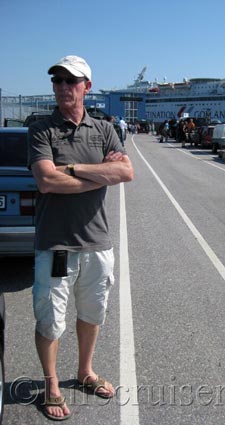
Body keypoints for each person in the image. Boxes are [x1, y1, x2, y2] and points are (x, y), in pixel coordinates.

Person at [27, 55, 134, 421]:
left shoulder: (104, 129)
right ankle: (51, 383)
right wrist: (99, 176)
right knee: (50, 321)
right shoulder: (41, 129)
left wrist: (72, 168)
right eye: (56, 81)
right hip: (56, 244)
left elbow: (126, 171)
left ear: (86, 86)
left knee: (92, 315)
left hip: (98, 244)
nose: (61, 88)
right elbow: (46, 181)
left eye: (70, 81)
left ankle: (85, 372)